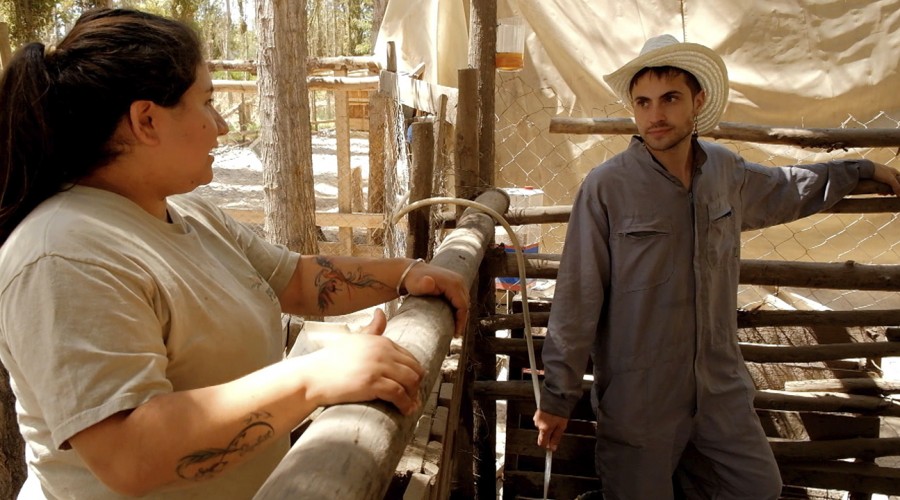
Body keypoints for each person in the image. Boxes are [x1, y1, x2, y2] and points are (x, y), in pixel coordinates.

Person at [0, 8, 469, 500]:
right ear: (146, 120)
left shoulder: (188, 214)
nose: (221, 125)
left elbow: (294, 280)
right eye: (207, 103)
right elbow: (127, 450)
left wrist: (405, 274)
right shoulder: (63, 255)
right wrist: (312, 378)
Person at [533, 34, 900, 499]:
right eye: (642, 102)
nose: (655, 115)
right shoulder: (606, 188)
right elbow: (577, 296)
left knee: (757, 488)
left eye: (670, 99)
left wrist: (858, 170)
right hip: (640, 397)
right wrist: (558, 396)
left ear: (697, 102)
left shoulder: (725, 172)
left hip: (720, 391)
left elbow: (788, 187)